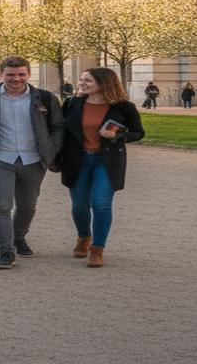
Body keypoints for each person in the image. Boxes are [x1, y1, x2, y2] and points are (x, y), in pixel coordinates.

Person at [0, 56, 63, 269]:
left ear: (28, 74)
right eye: (11, 75)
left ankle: (18, 237)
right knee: (0, 207)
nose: (16, 79)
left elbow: (57, 127)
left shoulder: (45, 98)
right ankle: (6, 251)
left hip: (33, 159)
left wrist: (51, 149)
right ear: (1, 74)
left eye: (21, 74)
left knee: (27, 206)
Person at [59, 68, 145, 268]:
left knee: (100, 204)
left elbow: (138, 132)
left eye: (87, 80)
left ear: (103, 82)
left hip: (106, 160)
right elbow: (61, 130)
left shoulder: (124, 107)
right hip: (77, 160)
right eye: (81, 79)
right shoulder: (73, 103)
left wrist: (118, 136)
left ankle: (97, 248)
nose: (82, 83)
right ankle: (83, 236)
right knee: (79, 206)